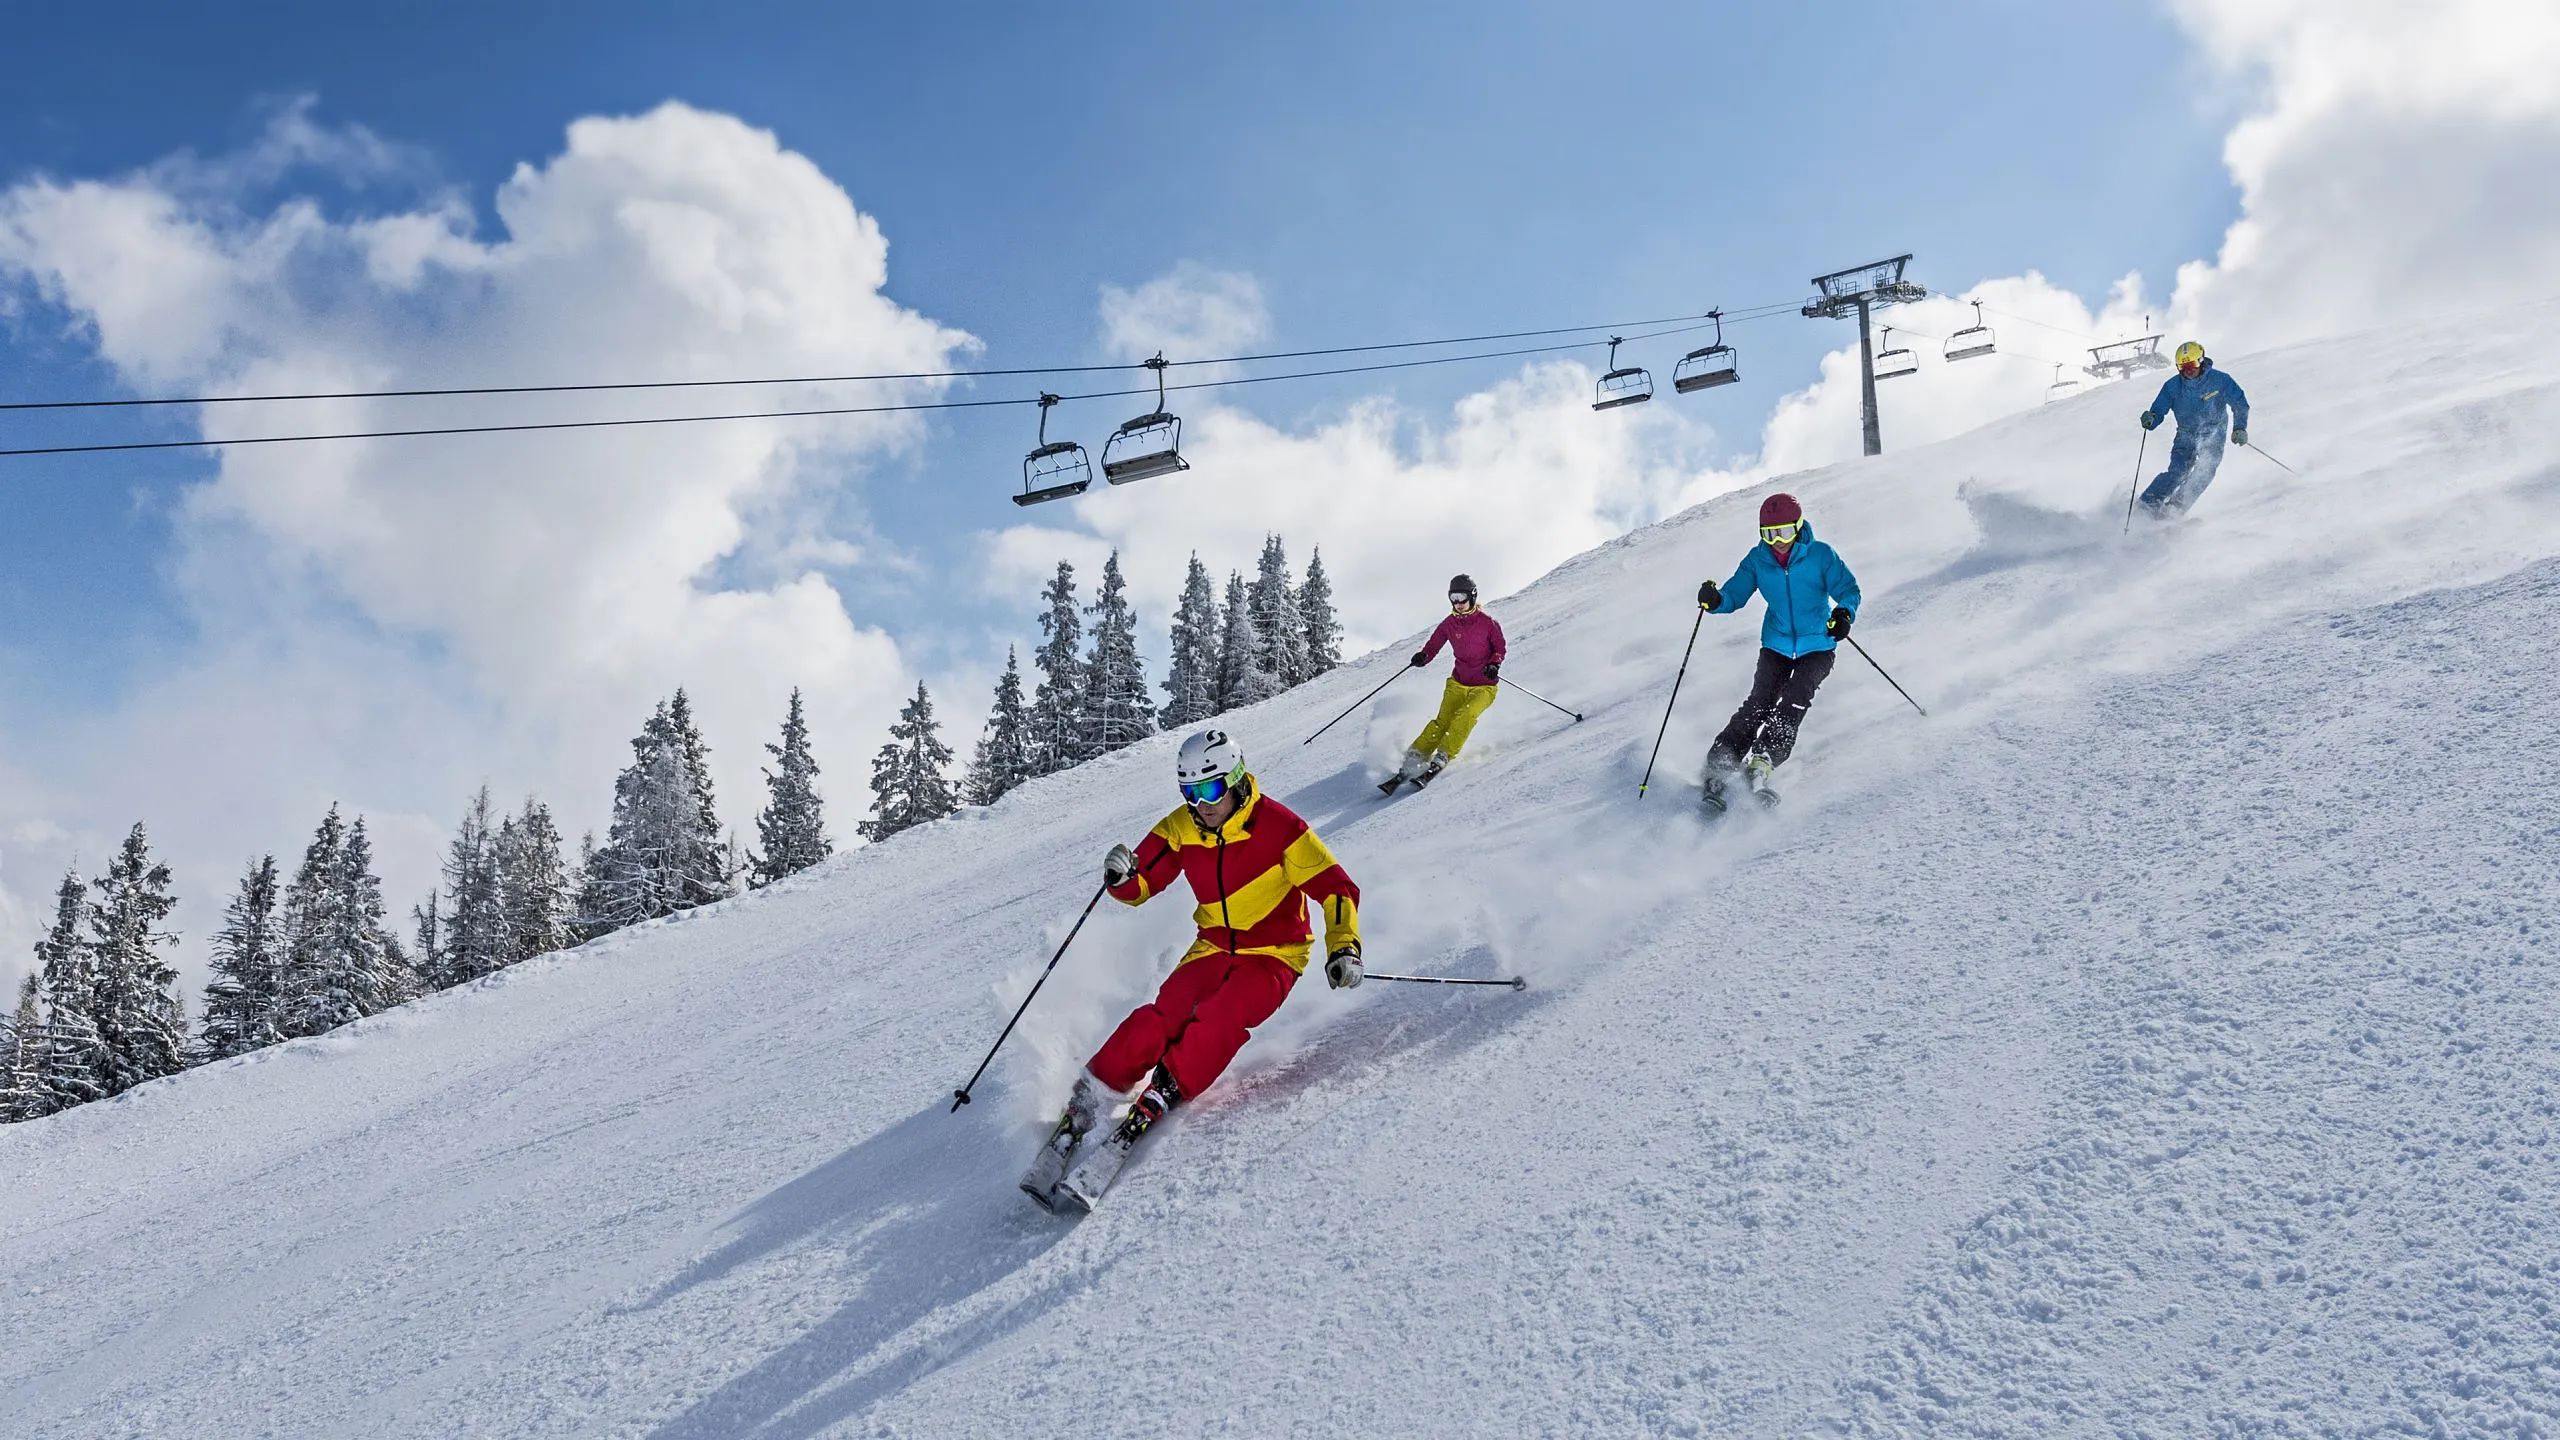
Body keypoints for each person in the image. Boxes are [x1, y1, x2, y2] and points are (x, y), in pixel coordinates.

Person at [1026, 728, 1363, 1208]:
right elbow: (1142, 886)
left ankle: (1167, 1088)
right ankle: (1092, 1096)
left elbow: (1337, 888)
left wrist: (1343, 945)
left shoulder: (1282, 829)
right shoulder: (1182, 828)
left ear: (1237, 780)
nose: (1200, 804)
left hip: (1274, 953)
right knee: (1161, 1016)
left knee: (1220, 1017)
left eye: (1208, 790)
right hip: (1211, 946)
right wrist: (1121, 876)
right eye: (1189, 793)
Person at [1694, 493, 1861, 808]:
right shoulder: (1758, 560)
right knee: (1761, 701)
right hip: (1776, 643)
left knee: (1795, 701)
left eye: (1784, 532)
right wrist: (1716, 601)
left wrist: (1844, 614)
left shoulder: (1821, 556)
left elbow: (1849, 590)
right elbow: (1735, 594)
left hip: (1818, 645)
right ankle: (1721, 761)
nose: (1777, 542)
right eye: (1768, 534)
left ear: (1798, 527)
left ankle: (1763, 761)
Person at [1390, 573, 1506, 789]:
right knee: (1442, 721)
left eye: (1462, 597)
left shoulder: (1488, 624)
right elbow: (1434, 644)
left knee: (1465, 716)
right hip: (1457, 683)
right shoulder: (1449, 624)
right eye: (1453, 598)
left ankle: (1443, 755)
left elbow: (1499, 648)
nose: (1458, 603)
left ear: (1472, 596)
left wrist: (1494, 663)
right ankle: (1416, 755)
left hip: (1484, 686)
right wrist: (1424, 656)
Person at [2136, 341, 2252, 516]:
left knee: (2206, 470)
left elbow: (2240, 404)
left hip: (2213, 433)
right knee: (2178, 471)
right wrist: (2151, 419)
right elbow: (2159, 410)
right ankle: (2146, 505)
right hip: (2186, 434)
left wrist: (2240, 428)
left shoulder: (2220, 380)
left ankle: (2175, 509)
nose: (2188, 371)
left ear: (2201, 360)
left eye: (2192, 365)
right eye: (2183, 366)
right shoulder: (2172, 386)